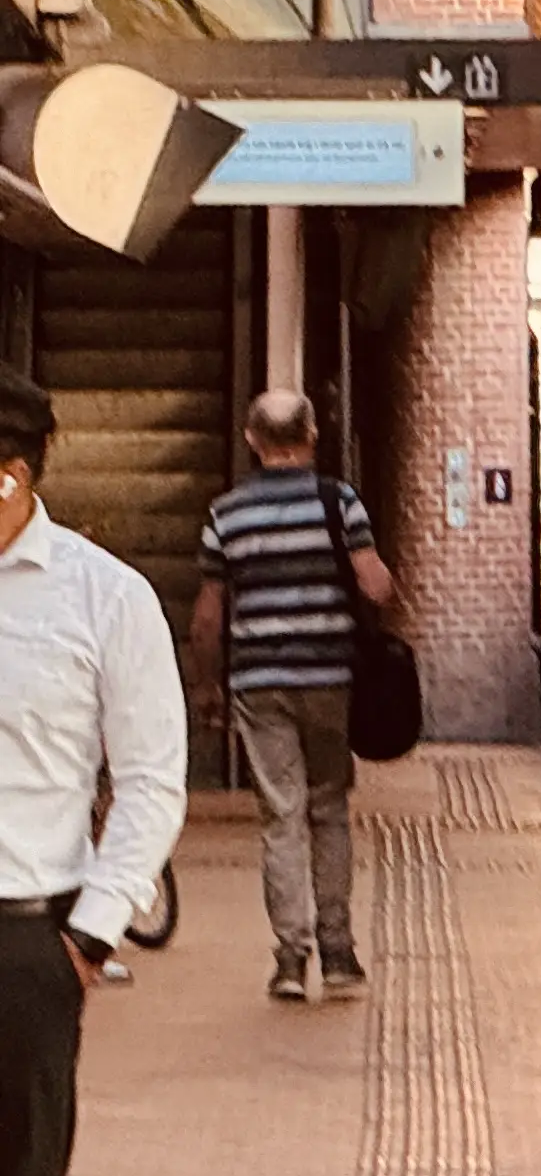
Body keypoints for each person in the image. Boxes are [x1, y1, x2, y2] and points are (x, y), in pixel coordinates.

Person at [0, 368, 188, 1176]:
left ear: (27, 472)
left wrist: (90, 934)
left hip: (27, 942)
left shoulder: (102, 600)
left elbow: (154, 778)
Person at [189, 392, 393, 1001]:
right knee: (327, 806)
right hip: (328, 677)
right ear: (311, 433)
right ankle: (338, 954)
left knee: (281, 816)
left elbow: (206, 617)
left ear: (252, 439)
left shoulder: (225, 514)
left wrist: (206, 684)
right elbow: (375, 586)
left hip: (258, 682)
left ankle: (287, 959)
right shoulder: (341, 502)